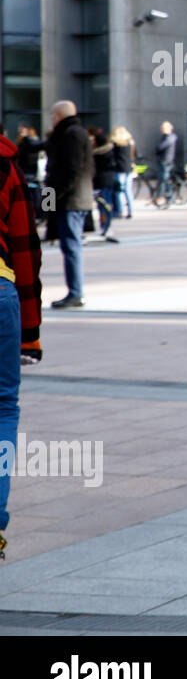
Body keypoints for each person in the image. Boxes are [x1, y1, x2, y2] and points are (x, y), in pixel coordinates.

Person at [0, 127, 43, 561]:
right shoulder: (8, 165)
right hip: (1, 290)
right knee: (3, 407)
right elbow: (25, 249)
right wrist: (30, 332)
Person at [45, 101, 93, 308]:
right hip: (76, 198)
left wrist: (52, 198)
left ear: (58, 116)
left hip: (71, 200)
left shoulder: (70, 134)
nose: (51, 119)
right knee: (71, 245)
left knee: (71, 247)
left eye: (53, 116)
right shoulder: (75, 133)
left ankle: (75, 293)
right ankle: (74, 292)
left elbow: (68, 171)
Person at [89, 127, 118, 243]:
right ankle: (107, 226)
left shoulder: (96, 154)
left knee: (102, 206)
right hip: (109, 180)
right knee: (106, 205)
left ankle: (104, 226)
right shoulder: (110, 151)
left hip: (100, 181)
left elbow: (93, 169)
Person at [108, 126, 135, 219]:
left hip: (119, 169)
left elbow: (111, 157)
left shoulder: (115, 144)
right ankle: (131, 211)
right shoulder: (129, 143)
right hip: (128, 168)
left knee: (119, 191)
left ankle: (120, 211)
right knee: (128, 191)